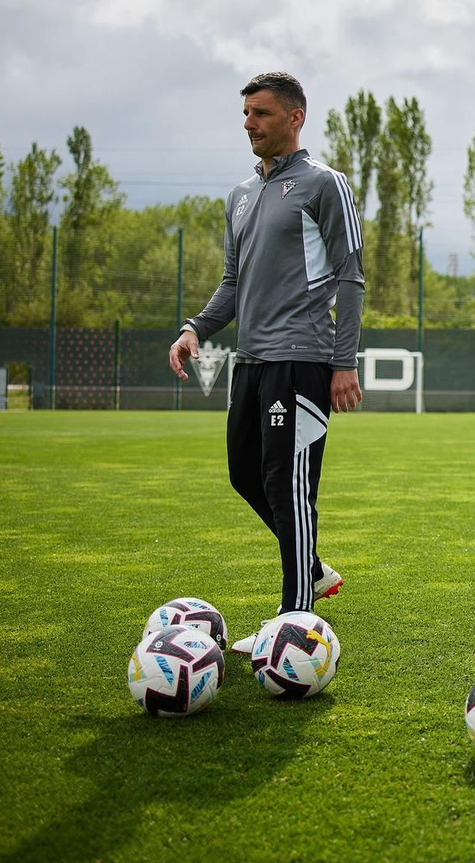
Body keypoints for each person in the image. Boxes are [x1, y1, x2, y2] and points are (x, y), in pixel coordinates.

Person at [168, 72, 365, 655]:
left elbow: (350, 276)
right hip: (251, 363)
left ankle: (294, 622)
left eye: (261, 113)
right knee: (244, 473)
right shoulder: (241, 195)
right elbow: (233, 281)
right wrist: (194, 327)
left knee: (289, 486)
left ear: (295, 117)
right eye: (246, 113)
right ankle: (315, 568)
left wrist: (343, 361)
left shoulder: (324, 185)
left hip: (301, 359)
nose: (249, 123)